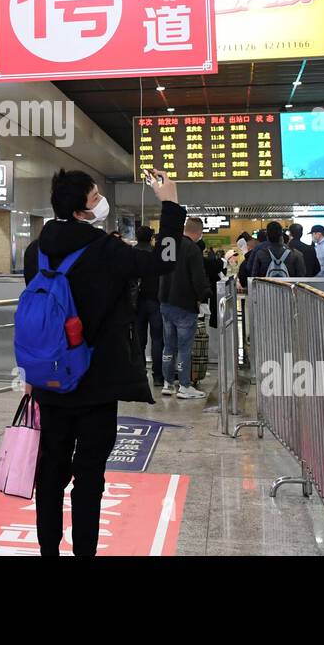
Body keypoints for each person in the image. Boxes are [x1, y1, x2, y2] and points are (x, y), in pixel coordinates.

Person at [24, 167, 182, 557]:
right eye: (95, 198)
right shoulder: (105, 250)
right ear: (80, 210)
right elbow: (163, 262)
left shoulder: (36, 250)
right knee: (89, 472)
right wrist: (171, 204)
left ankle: (48, 550)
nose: (100, 203)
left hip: (50, 378)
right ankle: (84, 553)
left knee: (50, 469)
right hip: (95, 380)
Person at [158, 217, 211, 400]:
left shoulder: (169, 244)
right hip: (184, 304)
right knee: (184, 348)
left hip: (165, 302)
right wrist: (203, 296)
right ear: (198, 232)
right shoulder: (192, 249)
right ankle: (185, 386)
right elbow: (198, 278)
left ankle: (167, 383)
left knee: (168, 346)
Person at [132, 226, 166, 388]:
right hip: (155, 301)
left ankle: (139, 375)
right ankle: (158, 377)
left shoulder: (130, 254)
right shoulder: (157, 255)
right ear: (151, 238)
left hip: (136, 302)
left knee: (138, 340)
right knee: (158, 339)